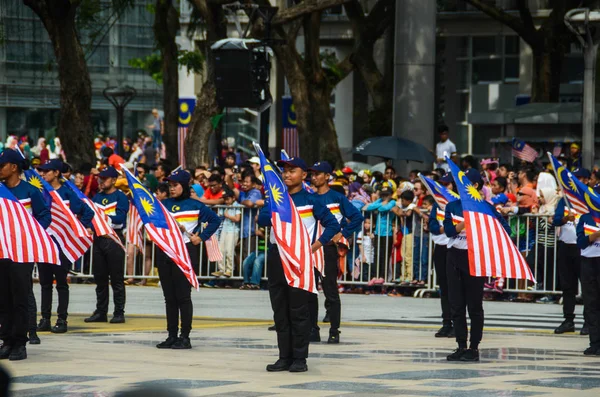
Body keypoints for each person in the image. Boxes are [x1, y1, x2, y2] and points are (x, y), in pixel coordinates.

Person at [258, 157, 340, 373]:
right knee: (280, 310)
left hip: (300, 259)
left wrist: (316, 245)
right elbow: (263, 220)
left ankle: (300, 358)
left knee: (299, 310)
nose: (286, 174)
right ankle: (284, 356)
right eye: (284, 170)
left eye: (292, 170)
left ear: (304, 175)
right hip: (278, 256)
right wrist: (273, 204)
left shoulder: (312, 200)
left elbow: (332, 225)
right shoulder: (277, 198)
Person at [443, 168, 510, 362]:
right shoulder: (452, 206)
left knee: (474, 306)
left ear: (476, 186)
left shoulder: (486, 207)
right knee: (456, 305)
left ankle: (474, 348)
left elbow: (505, 229)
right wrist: (464, 224)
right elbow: (448, 230)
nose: (459, 186)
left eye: (465, 184)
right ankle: (461, 345)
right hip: (454, 257)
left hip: (476, 258)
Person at [156, 170, 221, 349]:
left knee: (183, 297)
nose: (171, 188)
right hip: (166, 252)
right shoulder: (163, 204)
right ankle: (171, 335)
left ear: (184, 186)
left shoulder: (195, 205)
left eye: (175, 185)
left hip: (184, 252)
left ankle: (185, 336)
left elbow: (215, 220)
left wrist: (201, 237)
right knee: (169, 297)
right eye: (169, 185)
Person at [0, 149, 51, 361]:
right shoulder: (1, 191)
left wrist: (31, 236)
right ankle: (7, 340)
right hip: (3, 251)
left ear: (13, 167)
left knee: (20, 297)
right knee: (3, 298)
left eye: (2, 165)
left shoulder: (30, 191)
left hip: (22, 253)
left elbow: (44, 216)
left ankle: (20, 342)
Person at [36, 160, 94, 334]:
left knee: (61, 283)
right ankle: (45, 318)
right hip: (45, 242)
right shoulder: (40, 192)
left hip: (62, 244)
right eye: (42, 171)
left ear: (56, 173)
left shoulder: (67, 192)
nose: (43, 174)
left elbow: (87, 212)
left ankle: (62, 319)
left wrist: (74, 230)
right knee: (45, 283)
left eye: (46, 171)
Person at [308, 161, 363, 343]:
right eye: (312, 174)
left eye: (317, 174)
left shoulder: (337, 197)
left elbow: (357, 217)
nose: (313, 177)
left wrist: (342, 234)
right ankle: (313, 329)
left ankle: (334, 330)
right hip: (311, 249)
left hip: (328, 250)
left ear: (327, 176)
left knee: (330, 290)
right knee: (310, 291)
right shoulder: (309, 197)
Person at [84, 167, 129, 324]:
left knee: (117, 279)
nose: (101, 181)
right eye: (99, 178)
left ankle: (119, 312)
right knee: (100, 279)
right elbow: (90, 216)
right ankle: (101, 311)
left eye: (104, 178)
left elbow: (120, 219)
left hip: (113, 240)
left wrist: (103, 219)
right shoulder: (97, 197)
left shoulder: (120, 197)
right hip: (98, 240)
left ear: (114, 180)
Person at [554, 193, 589, 335]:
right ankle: (568, 320)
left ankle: (589, 321)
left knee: (587, 286)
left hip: (582, 247)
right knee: (567, 286)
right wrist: (564, 219)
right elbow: (556, 220)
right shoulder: (565, 200)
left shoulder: (587, 201)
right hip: (565, 246)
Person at [428, 194, 454, 338]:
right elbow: (432, 225)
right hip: (440, 246)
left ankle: (457, 324)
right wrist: (443, 230)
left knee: (455, 288)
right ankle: (446, 323)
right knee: (444, 287)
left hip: (455, 247)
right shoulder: (437, 205)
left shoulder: (457, 204)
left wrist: (447, 229)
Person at [576, 208, 600, 356]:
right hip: (588, 263)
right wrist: (594, 236)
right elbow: (581, 242)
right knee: (591, 304)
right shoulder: (585, 218)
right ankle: (595, 342)